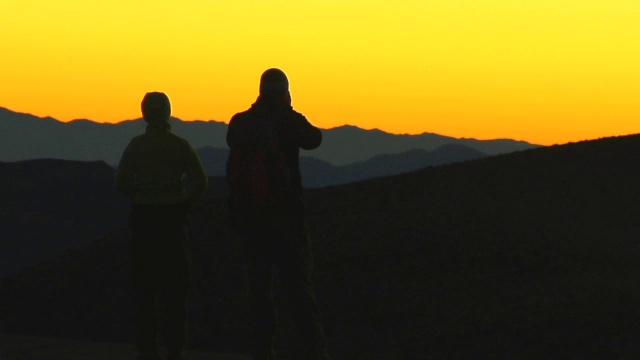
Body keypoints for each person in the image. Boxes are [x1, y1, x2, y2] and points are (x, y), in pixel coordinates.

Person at [226, 68, 332, 360]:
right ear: (284, 90)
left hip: (251, 219)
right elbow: (314, 139)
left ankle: (263, 349)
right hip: (287, 217)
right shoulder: (289, 121)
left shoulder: (241, 122)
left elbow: (232, 144)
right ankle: (314, 351)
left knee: (259, 288)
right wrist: (289, 109)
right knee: (298, 287)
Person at [116, 92, 208, 360]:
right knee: (176, 287)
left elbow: (121, 183)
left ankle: (147, 347)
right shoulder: (180, 145)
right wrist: (183, 203)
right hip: (172, 220)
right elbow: (200, 183)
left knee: (145, 287)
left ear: (144, 113)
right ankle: (175, 347)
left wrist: (139, 194)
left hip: (144, 218)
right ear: (168, 112)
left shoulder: (136, 146)